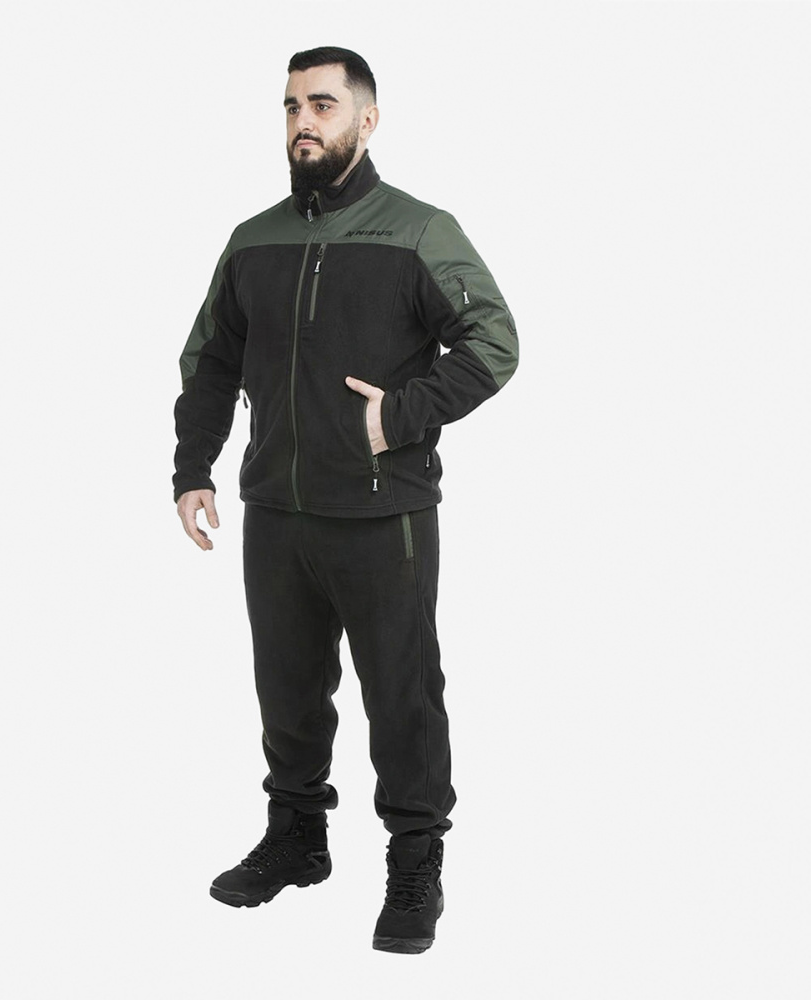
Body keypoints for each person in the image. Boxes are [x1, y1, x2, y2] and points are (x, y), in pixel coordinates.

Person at [172, 46, 518, 954]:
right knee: (287, 692)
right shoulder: (253, 239)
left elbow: (493, 342)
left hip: (381, 515)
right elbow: (210, 359)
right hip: (276, 514)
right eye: (291, 105)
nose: (303, 121)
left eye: (322, 105)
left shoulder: (419, 231)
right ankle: (298, 838)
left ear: (367, 119)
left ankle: (415, 859)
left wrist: (396, 416)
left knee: (402, 694)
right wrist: (194, 466)